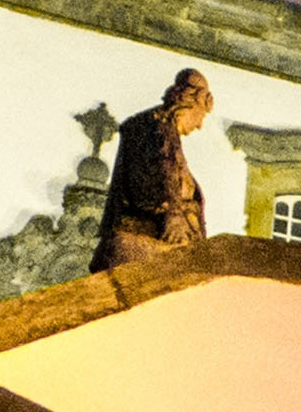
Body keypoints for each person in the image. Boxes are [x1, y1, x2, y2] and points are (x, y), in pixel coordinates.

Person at [91, 71, 212, 271]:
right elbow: (161, 166)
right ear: (190, 102)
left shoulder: (164, 132)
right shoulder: (153, 127)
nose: (199, 125)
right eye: (201, 115)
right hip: (155, 236)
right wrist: (173, 213)